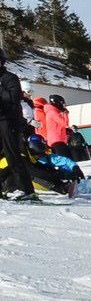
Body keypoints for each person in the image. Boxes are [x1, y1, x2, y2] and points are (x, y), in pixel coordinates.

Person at [0, 48, 40, 202]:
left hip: (8, 121)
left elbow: (14, 97)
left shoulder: (9, 78)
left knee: (12, 155)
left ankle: (27, 190)